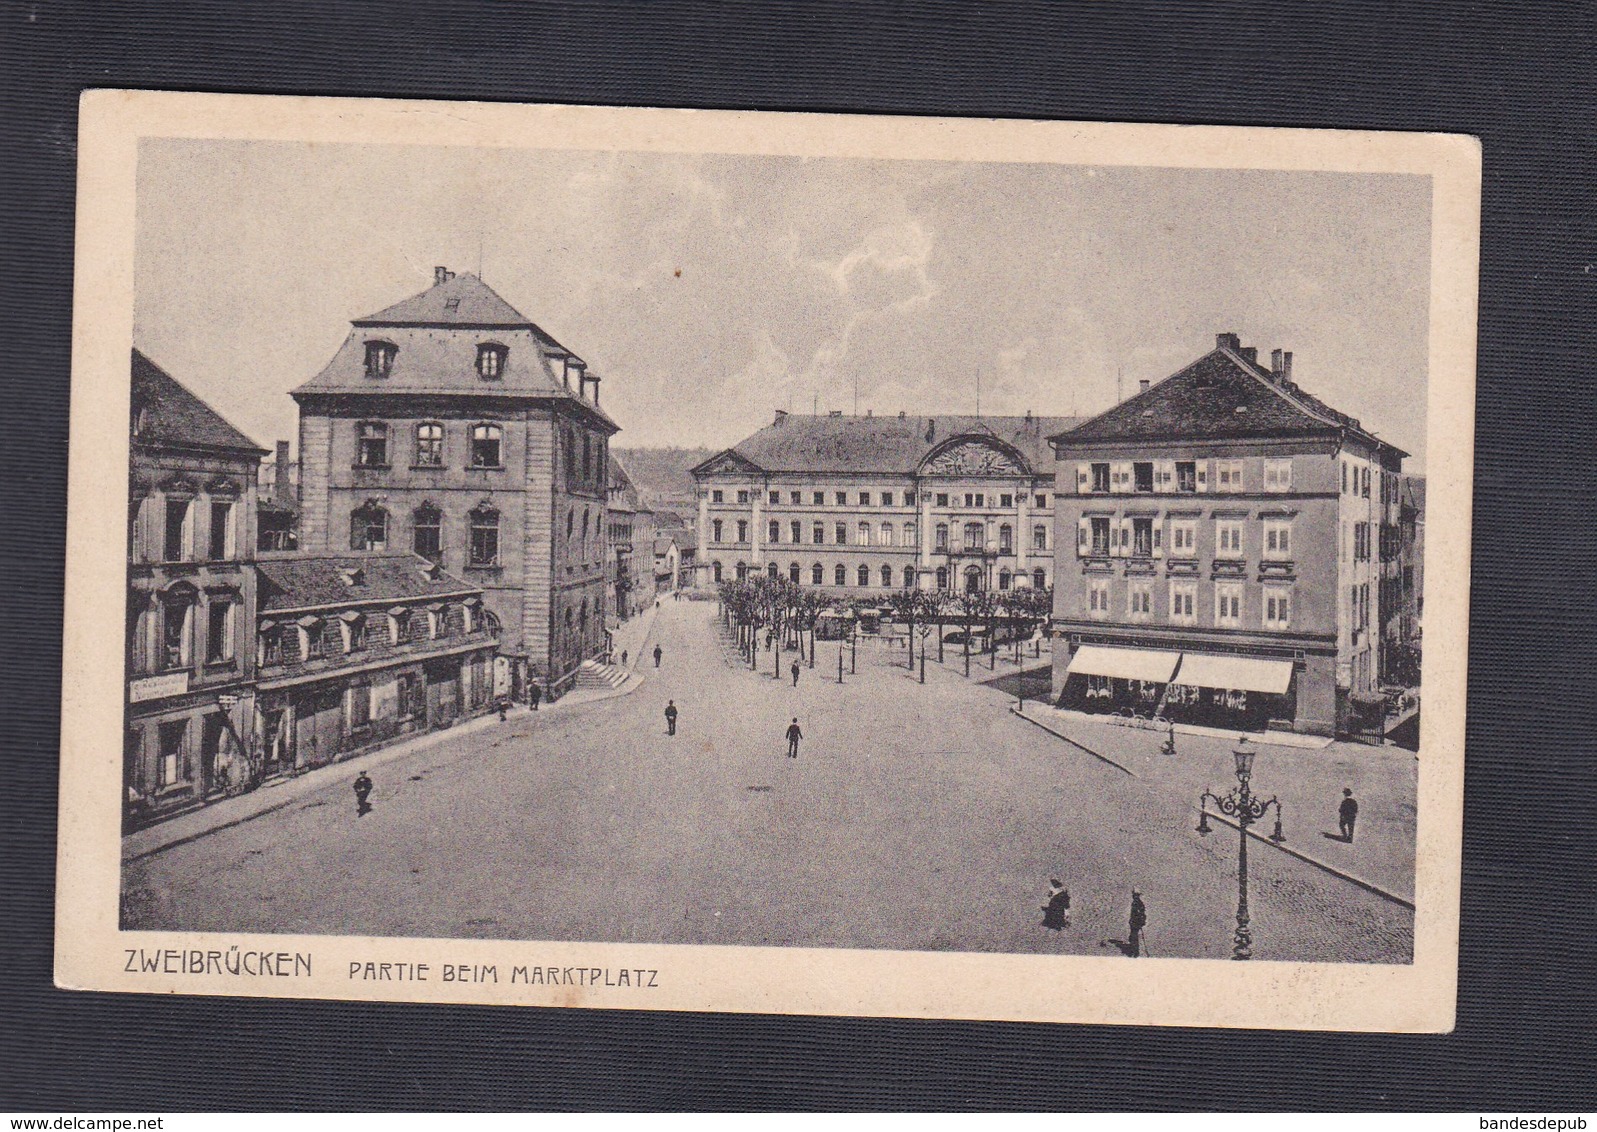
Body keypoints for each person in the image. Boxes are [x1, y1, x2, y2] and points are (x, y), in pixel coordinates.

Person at [1128, 891, 1147, 957]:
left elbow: (1141, 914)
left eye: (1135, 895)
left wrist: (1140, 921)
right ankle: (1134, 951)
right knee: (1133, 936)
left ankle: (1135, 952)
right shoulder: (1136, 902)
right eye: (1134, 895)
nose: (1134, 896)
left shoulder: (1138, 903)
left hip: (1136, 922)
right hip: (1134, 922)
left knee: (1134, 937)